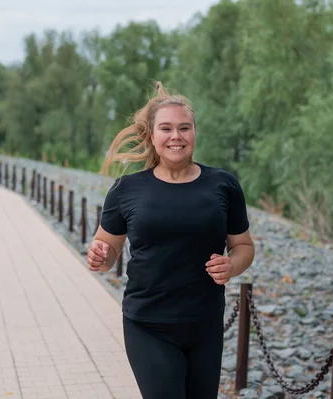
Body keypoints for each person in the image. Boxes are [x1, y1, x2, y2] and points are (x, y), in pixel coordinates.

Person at [86, 81, 255, 399]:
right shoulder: (127, 189)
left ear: (194, 132)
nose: (176, 136)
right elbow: (107, 250)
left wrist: (231, 265)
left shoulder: (223, 185)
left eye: (184, 128)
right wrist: (99, 254)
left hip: (205, 324)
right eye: (166, 128)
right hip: (148, 324)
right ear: (152, 135)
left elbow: (243, 246)